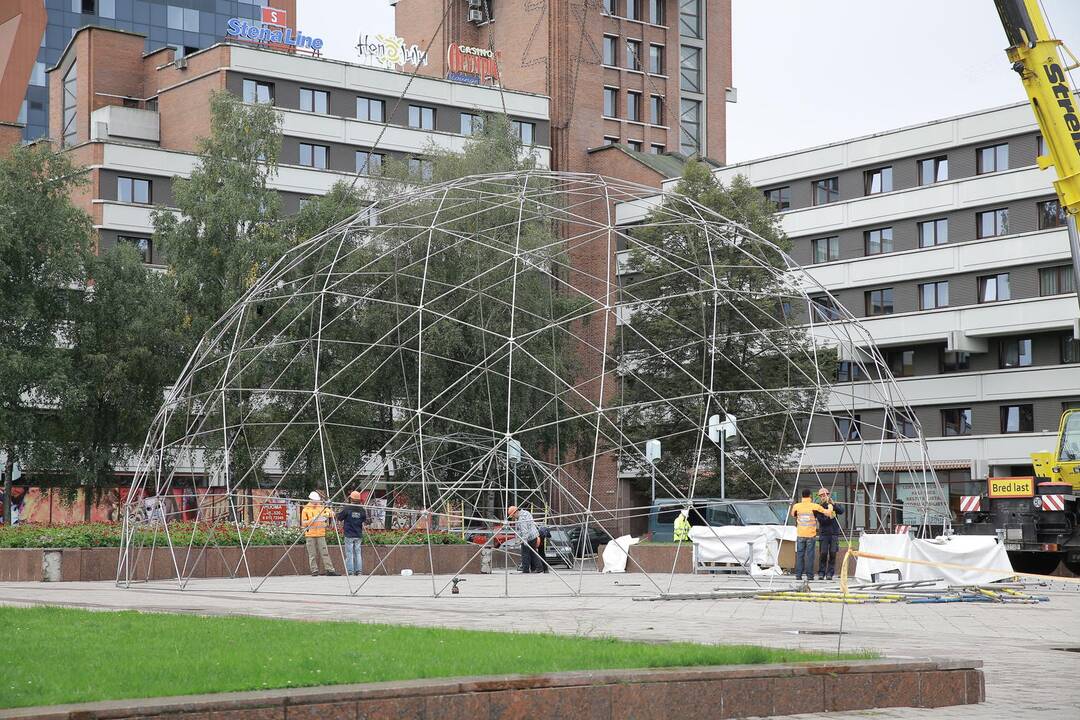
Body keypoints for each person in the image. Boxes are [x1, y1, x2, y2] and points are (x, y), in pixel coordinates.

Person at [790, 489, 833, 581]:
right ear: (810, 496)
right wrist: (830, 506)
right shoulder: (815, 506)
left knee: (800, 555)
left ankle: (798, 575)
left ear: (802, 496)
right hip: (811, 535)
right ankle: (810, 576)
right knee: (810, 556)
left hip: (800, 534)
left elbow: (793, 515)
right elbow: (828, 513)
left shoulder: (796, 506)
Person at [301, 491, 337, 576]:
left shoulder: (321, 507)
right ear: (311, 499)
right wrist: (312, 520)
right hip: (310, 534)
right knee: (312, 554)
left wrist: (327, 514)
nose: (316, 502)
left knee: (325, 552)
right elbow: (303, 523)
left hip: (320, 534)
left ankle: (330, 570)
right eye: (315, 501)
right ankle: (314, 570)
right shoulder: (306, 509)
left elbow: (332, 514)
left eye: (317, 501)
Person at [814, 488, 844, 580]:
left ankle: (830, 573)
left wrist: (833, 505)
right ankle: (821, 573)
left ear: (828, 495)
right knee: (823, 553)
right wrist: (829, 516)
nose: (824, 497)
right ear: (819, 497)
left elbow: (841, 511)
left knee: (833, 553)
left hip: (834, 533)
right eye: (822, 495)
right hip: (824, 534)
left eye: (825, 495)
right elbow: (821, 520)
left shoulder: (832, 505)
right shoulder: (819, 507)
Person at [336, 491, 368, 576]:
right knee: (358, 553)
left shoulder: (347, 509)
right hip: (358, 534)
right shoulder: (362, 510)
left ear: (351, 499)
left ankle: (350, 571)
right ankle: (359, 571)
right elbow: (365, 520)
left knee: (349, 553)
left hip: (349, 534)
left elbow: (339, 517)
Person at [508, 505, 543, 573]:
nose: (514, 518)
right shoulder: (526, 513)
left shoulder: (521, 519)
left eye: (513, 516)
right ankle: (539, 568)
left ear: (515, 512)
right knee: (533, 552)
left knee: (525, 554)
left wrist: (523, 541)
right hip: (534, 535)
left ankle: (526, 569)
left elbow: (525, 531)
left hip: (528, 537)